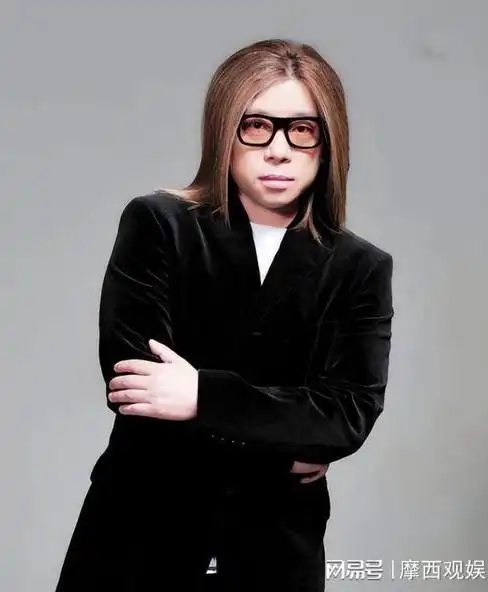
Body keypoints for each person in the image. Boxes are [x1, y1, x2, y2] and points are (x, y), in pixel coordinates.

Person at [54, 38, 394, 592]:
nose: (279, 150)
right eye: (256, 126)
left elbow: (346, 417)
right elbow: (134, 386)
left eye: (301, 129)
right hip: (139, 537)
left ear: (328, 142)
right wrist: (286, 444)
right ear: (224, 133)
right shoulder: (158, 224)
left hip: (274, 553)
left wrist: (200, 396)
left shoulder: (360, 267)